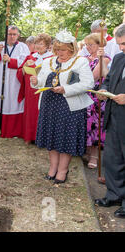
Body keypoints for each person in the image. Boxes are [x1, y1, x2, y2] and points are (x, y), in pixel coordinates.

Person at [31, 30, 94, 184]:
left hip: (69, 106)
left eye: (63, 50)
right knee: (51, 136)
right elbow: (42, 80)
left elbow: (88, 84)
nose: (60, 52)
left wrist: (65, 89)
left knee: (66, 138)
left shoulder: (80, 62)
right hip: (49, 104)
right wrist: (35, 81)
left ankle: (62, 170)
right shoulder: (48, 61)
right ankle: (53, 168)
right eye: (57, 49)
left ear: (72, 49)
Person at [94, 23, 125, 218]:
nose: (121, 48)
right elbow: (108, 78)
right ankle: (114, 194)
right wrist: (104, 90)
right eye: (120, 43)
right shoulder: (119, 58)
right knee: (112, 160)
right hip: (114, 117)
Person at [0, 25, 30, 138]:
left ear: (18, 35)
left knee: (12, 102)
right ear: (6, 35)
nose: (11, 36)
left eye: (14, 34)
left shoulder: (23, 47)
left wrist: (10, 60)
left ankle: (11, 130)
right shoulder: (0, 45)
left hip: (14, 81)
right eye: (9, 34)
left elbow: (26, 61)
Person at [17, 33, 53, 144]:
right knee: (30, 113)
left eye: (41, 44)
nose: (38, 46)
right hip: (30, 91)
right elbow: (20, 73)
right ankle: (28, 136)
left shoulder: (52, 58)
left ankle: (41, 139)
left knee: (42, 113)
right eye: (36, 43)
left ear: (47, 46)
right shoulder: (30, 57)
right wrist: (25, 66)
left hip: (44, 90)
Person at [83, 33, 111, 169]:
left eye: (91, 45)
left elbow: (92, 78)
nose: (87, 47)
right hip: (84, 96)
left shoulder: (104, 59)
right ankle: (87, 152)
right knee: (86, 125)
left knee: (95, 127)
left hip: (96, 98)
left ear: (100, 46)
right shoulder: (84, 58)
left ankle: (94, 156)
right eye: (86, 44)